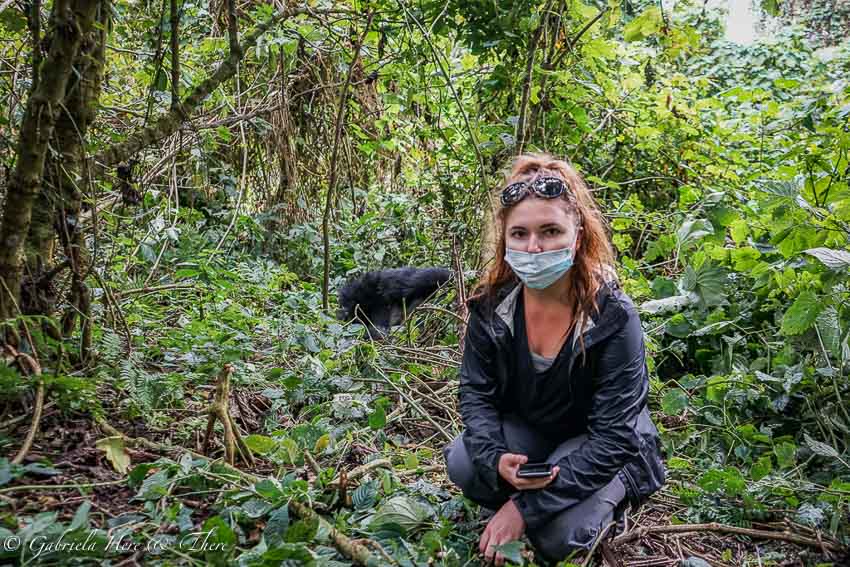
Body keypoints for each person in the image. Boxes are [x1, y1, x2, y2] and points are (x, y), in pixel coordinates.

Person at [443, 153, 665, 565]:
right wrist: (495, 458)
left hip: (602, 447)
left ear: (577, 236)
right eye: (520, 234)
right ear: (504, 240)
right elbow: (476, 394)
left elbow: (615, 438)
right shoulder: (492, 308)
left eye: (550, 231)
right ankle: (544, 489)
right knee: (465, 461)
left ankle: (599, 498)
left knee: (562, 539)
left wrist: (523, 510)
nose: (534, 247)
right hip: (536, 435)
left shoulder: (614, 317)